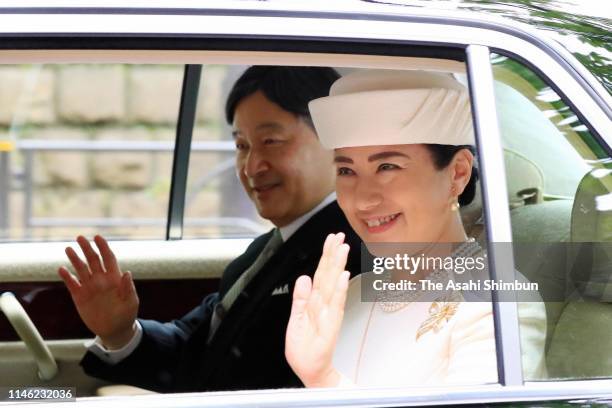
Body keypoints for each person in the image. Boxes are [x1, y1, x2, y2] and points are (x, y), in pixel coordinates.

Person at [57, 66, 362, 392]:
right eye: (242, 145)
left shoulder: (352, 256)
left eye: (271, 141)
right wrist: (120, 332)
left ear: (336, 140)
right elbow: (196, 348)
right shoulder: (264, 250)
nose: (251, 166)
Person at [285, 69, 547, 387]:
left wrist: (324, 380)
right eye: (346, 170)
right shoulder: (353, 292)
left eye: (387, 166)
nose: (363, 201)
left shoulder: (496, 301)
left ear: (457, 174)